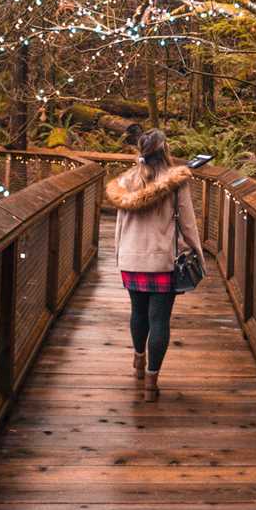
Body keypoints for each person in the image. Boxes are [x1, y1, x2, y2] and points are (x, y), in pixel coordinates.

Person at [105, 129, 205, 401]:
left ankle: (138, 362)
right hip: (162, 261)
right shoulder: (176, 182)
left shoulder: (125, 181)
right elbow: (187, 224)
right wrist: (197, 254)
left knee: (138, 313)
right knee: (159, 319)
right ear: (165, 151)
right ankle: (151, 383)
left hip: (131, 258)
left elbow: (119, 226)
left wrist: (120, 256)